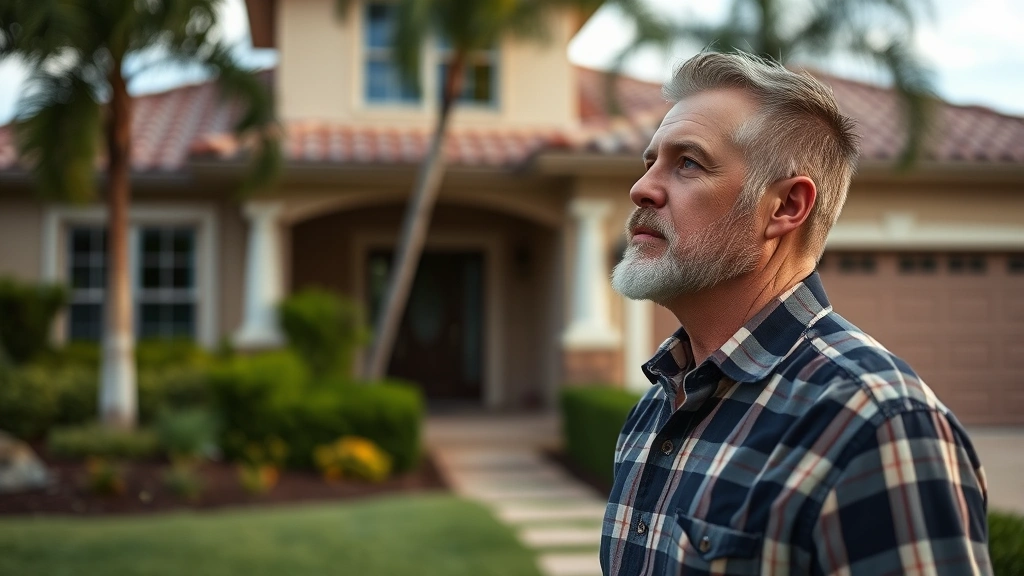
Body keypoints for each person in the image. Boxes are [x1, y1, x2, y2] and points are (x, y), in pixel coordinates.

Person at [601, 51, 991, 576]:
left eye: (688, 162)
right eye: (651, 162)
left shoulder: (876, 423)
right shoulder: (656, 408)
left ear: (785, 207)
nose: (642, 188)